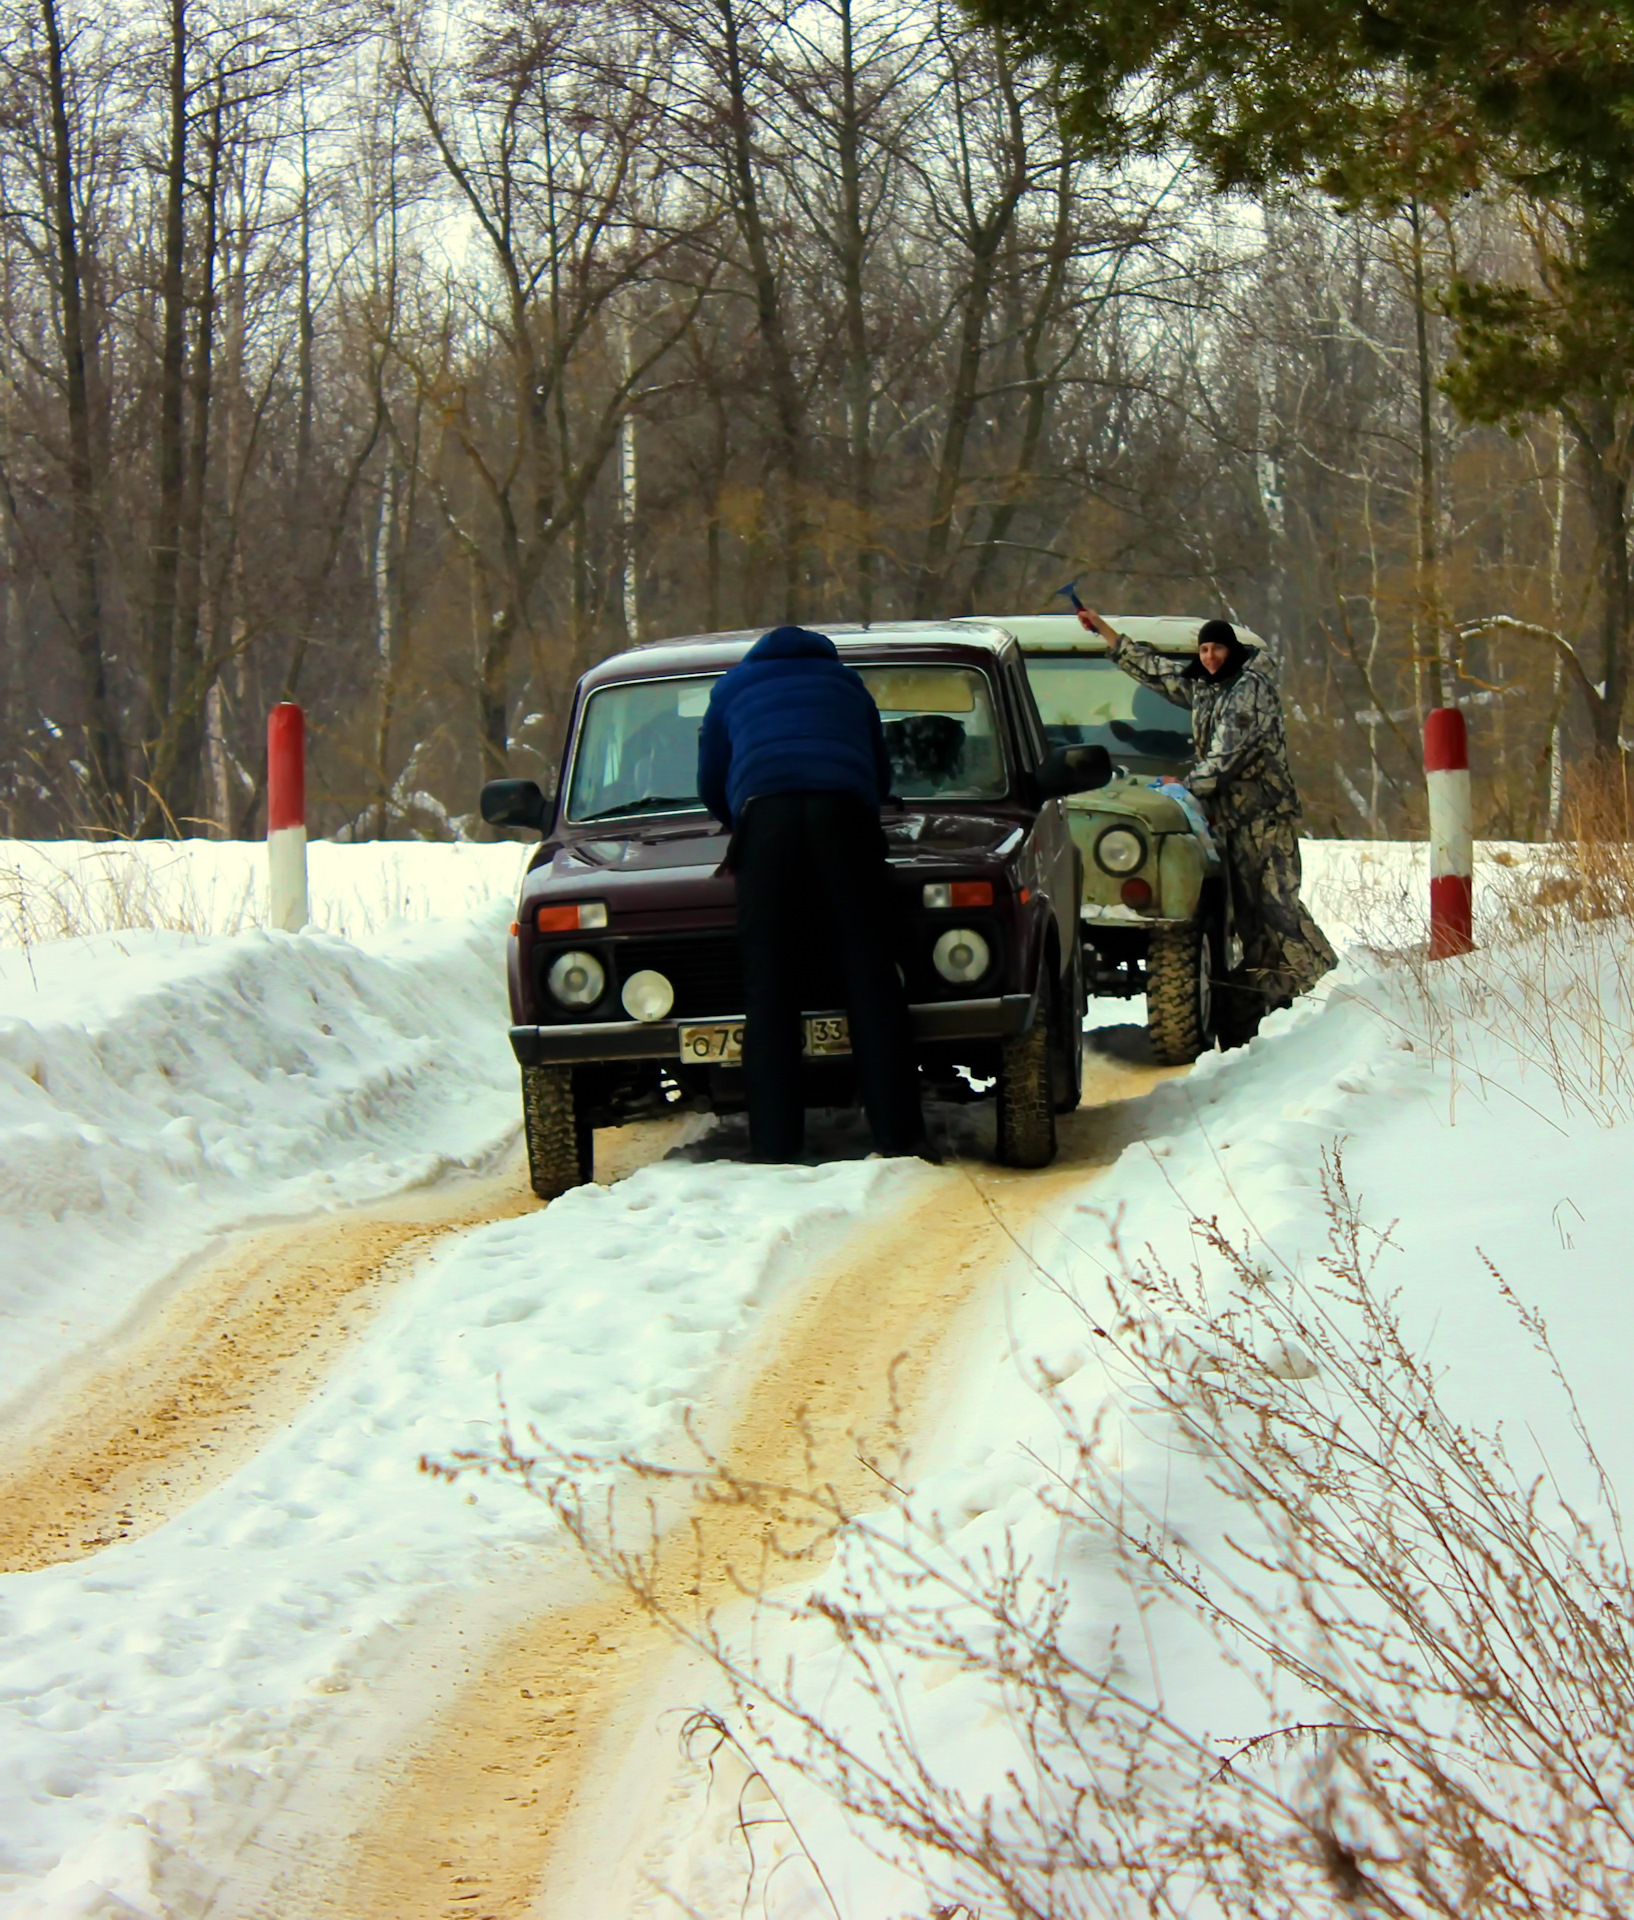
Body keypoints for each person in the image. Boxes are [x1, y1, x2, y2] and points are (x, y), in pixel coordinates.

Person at [697, 624, 928, 1161]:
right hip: (844, 815)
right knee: (870, 975)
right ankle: (900, 1137)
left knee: (769, 985)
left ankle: (775, 1146)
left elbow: (711, 775)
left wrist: (740, 823)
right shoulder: (846, 685)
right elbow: (879, 769)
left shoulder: (732, 687)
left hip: (766, 820)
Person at [1079, 608, 1336, 1025]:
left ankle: (1328, 984)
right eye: (1204, 649)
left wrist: (1184, 788)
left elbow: (1227, 754)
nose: (1211, 656)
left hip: (1265, 817)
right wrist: (1106, 634)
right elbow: (1158, 673)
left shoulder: (1249, 690)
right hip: (1233, 819)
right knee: (1249, 914)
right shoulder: (1206, 687)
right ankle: (1278, 1003)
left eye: (1217, 648)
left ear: (1231, 650)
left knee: (1276, 905)